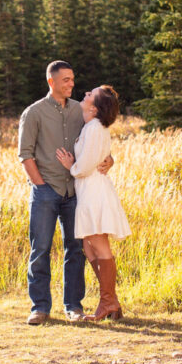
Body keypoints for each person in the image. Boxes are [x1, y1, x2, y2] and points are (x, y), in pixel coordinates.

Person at [18, 60, 113, 325]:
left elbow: (96, 139)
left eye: (72, 79)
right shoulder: (33, 113)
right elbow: (25, 154)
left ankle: (73, 307)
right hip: (46, 190)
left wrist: (110, 159)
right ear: (52, 82)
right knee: (41, 248)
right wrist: (40, 185)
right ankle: (40, 307)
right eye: (66, 80)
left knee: (75, 249)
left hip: (75, 194)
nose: (71, 84)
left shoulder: (79, 112)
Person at [56, 85, 131, 321]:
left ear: (95, 107)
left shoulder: (95, 128)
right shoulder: (90, 126)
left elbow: (87, 163)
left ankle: (107, 302)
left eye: (89, 94)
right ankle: (112, 302)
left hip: (94, 191)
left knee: (98, 245)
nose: (85, 94)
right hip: (88, 191)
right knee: (89, 246)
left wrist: (72, 167)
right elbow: (97, 154)